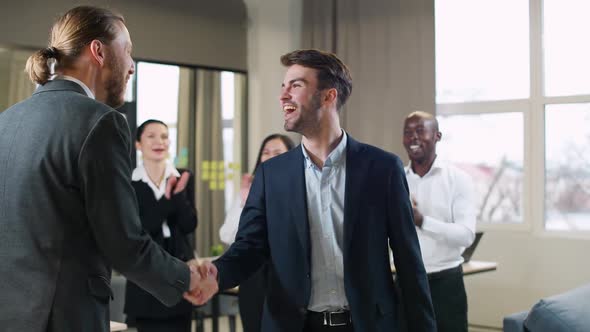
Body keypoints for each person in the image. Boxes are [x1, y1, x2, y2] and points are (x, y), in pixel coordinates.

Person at [0, 6, 214, 331]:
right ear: (98, 51)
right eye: (127, 51)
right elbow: (123, 242)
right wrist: (186, 279)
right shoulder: (101, 122)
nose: (131, 67)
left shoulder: (7, 120)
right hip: (64, 318)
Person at [199, 49, 436, 332]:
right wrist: (216, 274)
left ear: (328, 96)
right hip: (293, 325)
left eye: (296, 85)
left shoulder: (383, 169)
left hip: (367, 324)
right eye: (283, 87)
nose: (283, 95)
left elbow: (409, 262)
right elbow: (249, 247)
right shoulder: (271, 174)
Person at [402, 110, 476, 332]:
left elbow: (466, 235)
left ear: (437, 136)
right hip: (406, 282)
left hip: (446, 284)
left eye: (420, 131)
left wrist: (422, 220)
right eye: (407, 132)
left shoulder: (458, 179)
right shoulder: (397, 179)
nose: (413, 137)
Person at [124, 119, 198, 332]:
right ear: (138, 144)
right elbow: (140, 230)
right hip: (146, 271)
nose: (159, 141)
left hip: (179, 268)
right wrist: (169, 200)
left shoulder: (182, 176)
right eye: (151, 136)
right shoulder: (129, 183)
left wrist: (179, 196)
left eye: (164, 136)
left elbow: (189, 225)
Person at [219, 133, 294, 332]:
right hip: (254, 277)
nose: (269, 157)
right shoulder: (250, 190)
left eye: (277, 152)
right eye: (265, 152)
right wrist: (244, 201)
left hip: (289, 280)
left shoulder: (301, 188)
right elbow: (227, 234)